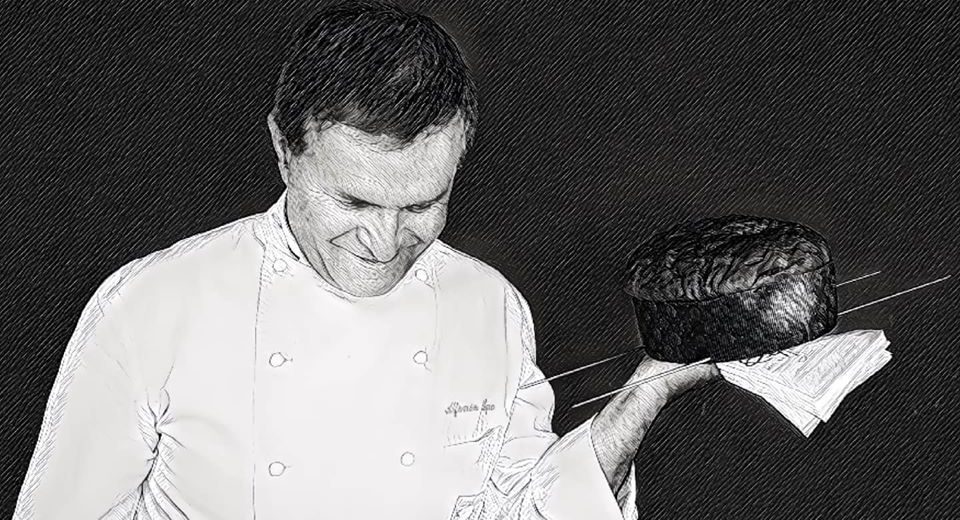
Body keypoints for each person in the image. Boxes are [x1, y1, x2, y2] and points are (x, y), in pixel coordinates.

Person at [14, 1, 717, 518]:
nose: (384, 244)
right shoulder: (151, 306)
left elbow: (523, 509)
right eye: (353, 202)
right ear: (284, 150)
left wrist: (636, 404)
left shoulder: (488, 304)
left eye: (421, 206)